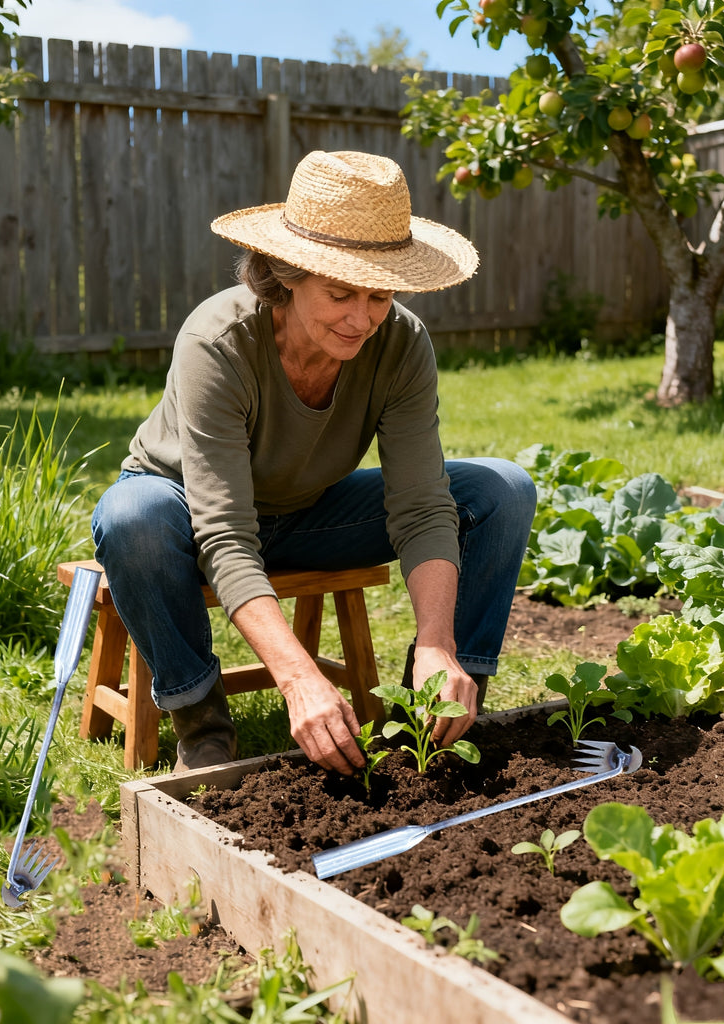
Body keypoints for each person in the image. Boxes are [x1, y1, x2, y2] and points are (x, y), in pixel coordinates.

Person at [91, 150, 537, 776]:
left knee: (503, 488)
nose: (362, 319)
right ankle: (201, 720)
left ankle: (437, 710)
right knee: (130, 514)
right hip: (184, 516)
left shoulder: (401, 343)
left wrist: (438, 641)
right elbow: (223, 532)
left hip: (307, 512)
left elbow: (422, 504)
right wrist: (298, 676)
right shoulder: (216, 343)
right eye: (339, 293)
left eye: (380, 294)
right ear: (287, 273)